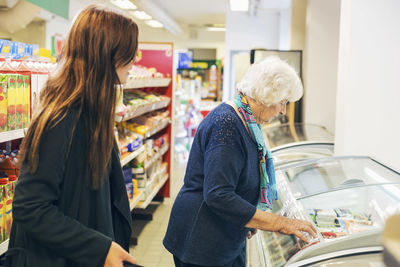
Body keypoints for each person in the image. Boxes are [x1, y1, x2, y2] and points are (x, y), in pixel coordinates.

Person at [6, 5, 138, 267]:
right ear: (106, 54)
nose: (134, 61)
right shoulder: (62, 118)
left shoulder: (93, 112)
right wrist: (100, 249)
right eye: (129, 53)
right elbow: (30, 206)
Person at [163, 56, 317, 267]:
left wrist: (250, 215)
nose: (283, 111)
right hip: (202, 241)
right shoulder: (227, 125)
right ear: (266, 96)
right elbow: (218, 194)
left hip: (225, 233)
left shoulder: (245, 121)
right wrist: (278, 223)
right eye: (282, 102)